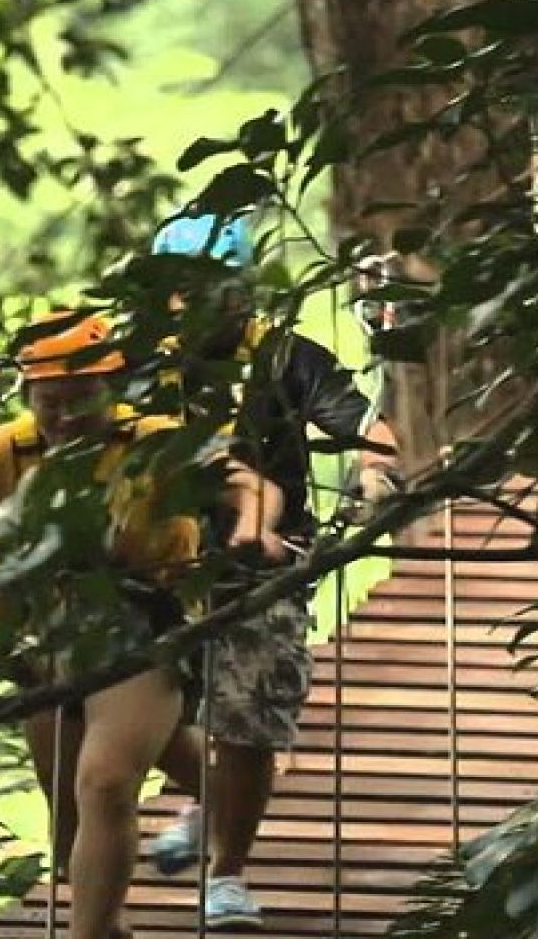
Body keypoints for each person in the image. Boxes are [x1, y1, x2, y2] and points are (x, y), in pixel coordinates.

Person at [0, 311, 284, 939]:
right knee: (69, 820)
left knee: (104, 781)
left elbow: (248, 486)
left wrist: (252, 529)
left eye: (83, 398)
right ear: (29, 399)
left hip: (139, 628)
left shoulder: (154, 441)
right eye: (52, 402)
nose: (67, 416)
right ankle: (126, 904)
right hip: (38, 641)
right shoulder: (8, 450)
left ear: (114, 388)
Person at [142, 209, 404, 929]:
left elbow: (366, 428)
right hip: (155, 566)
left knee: (249, 723)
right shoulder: (138, 366)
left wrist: (374, 475)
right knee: (131, 711)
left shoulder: (288, 357)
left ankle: (226, 873)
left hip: (264, 568)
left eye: (214, 289)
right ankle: (207, 797)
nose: (195, 305)